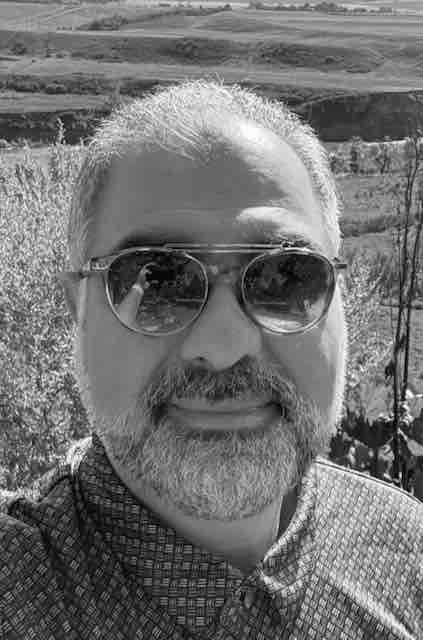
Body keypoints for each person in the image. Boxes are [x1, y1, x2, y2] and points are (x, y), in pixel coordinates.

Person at [1, 80, 422, 639]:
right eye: (156, 281)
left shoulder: (406, 554)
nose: (224, 347)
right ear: (76, 308)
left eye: (286, 279)